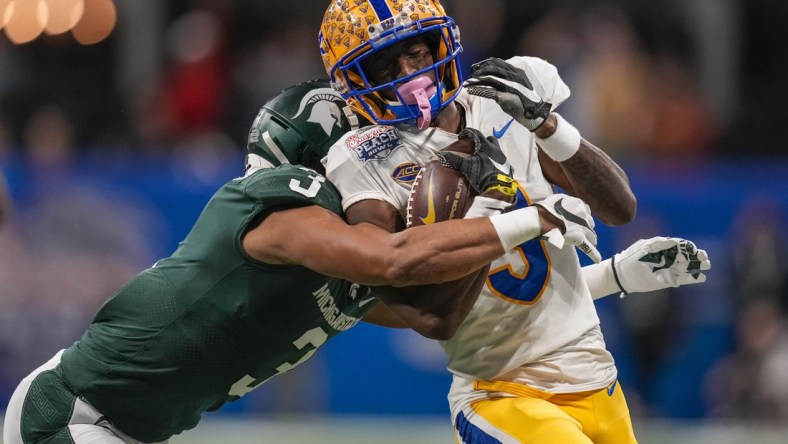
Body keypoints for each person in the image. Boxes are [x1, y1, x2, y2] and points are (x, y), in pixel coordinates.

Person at [2, 79, 599, 444]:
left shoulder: (343, 242)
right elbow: (394, 262)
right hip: (76, 412)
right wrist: (530, 218)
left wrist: (611, 276)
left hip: (125, 424)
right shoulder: (285, 212)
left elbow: (440, 317)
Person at [319, 1, 708, 442]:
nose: (410, 72)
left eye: (417, 52)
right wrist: (517, 216)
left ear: (440, 42)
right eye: (385, 65)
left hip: (596, 376)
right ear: (355, 82)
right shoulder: (362, 158)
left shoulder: (503, 95)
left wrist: (547, 124)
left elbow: (619, 208)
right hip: (500, 395)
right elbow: (431, 315)